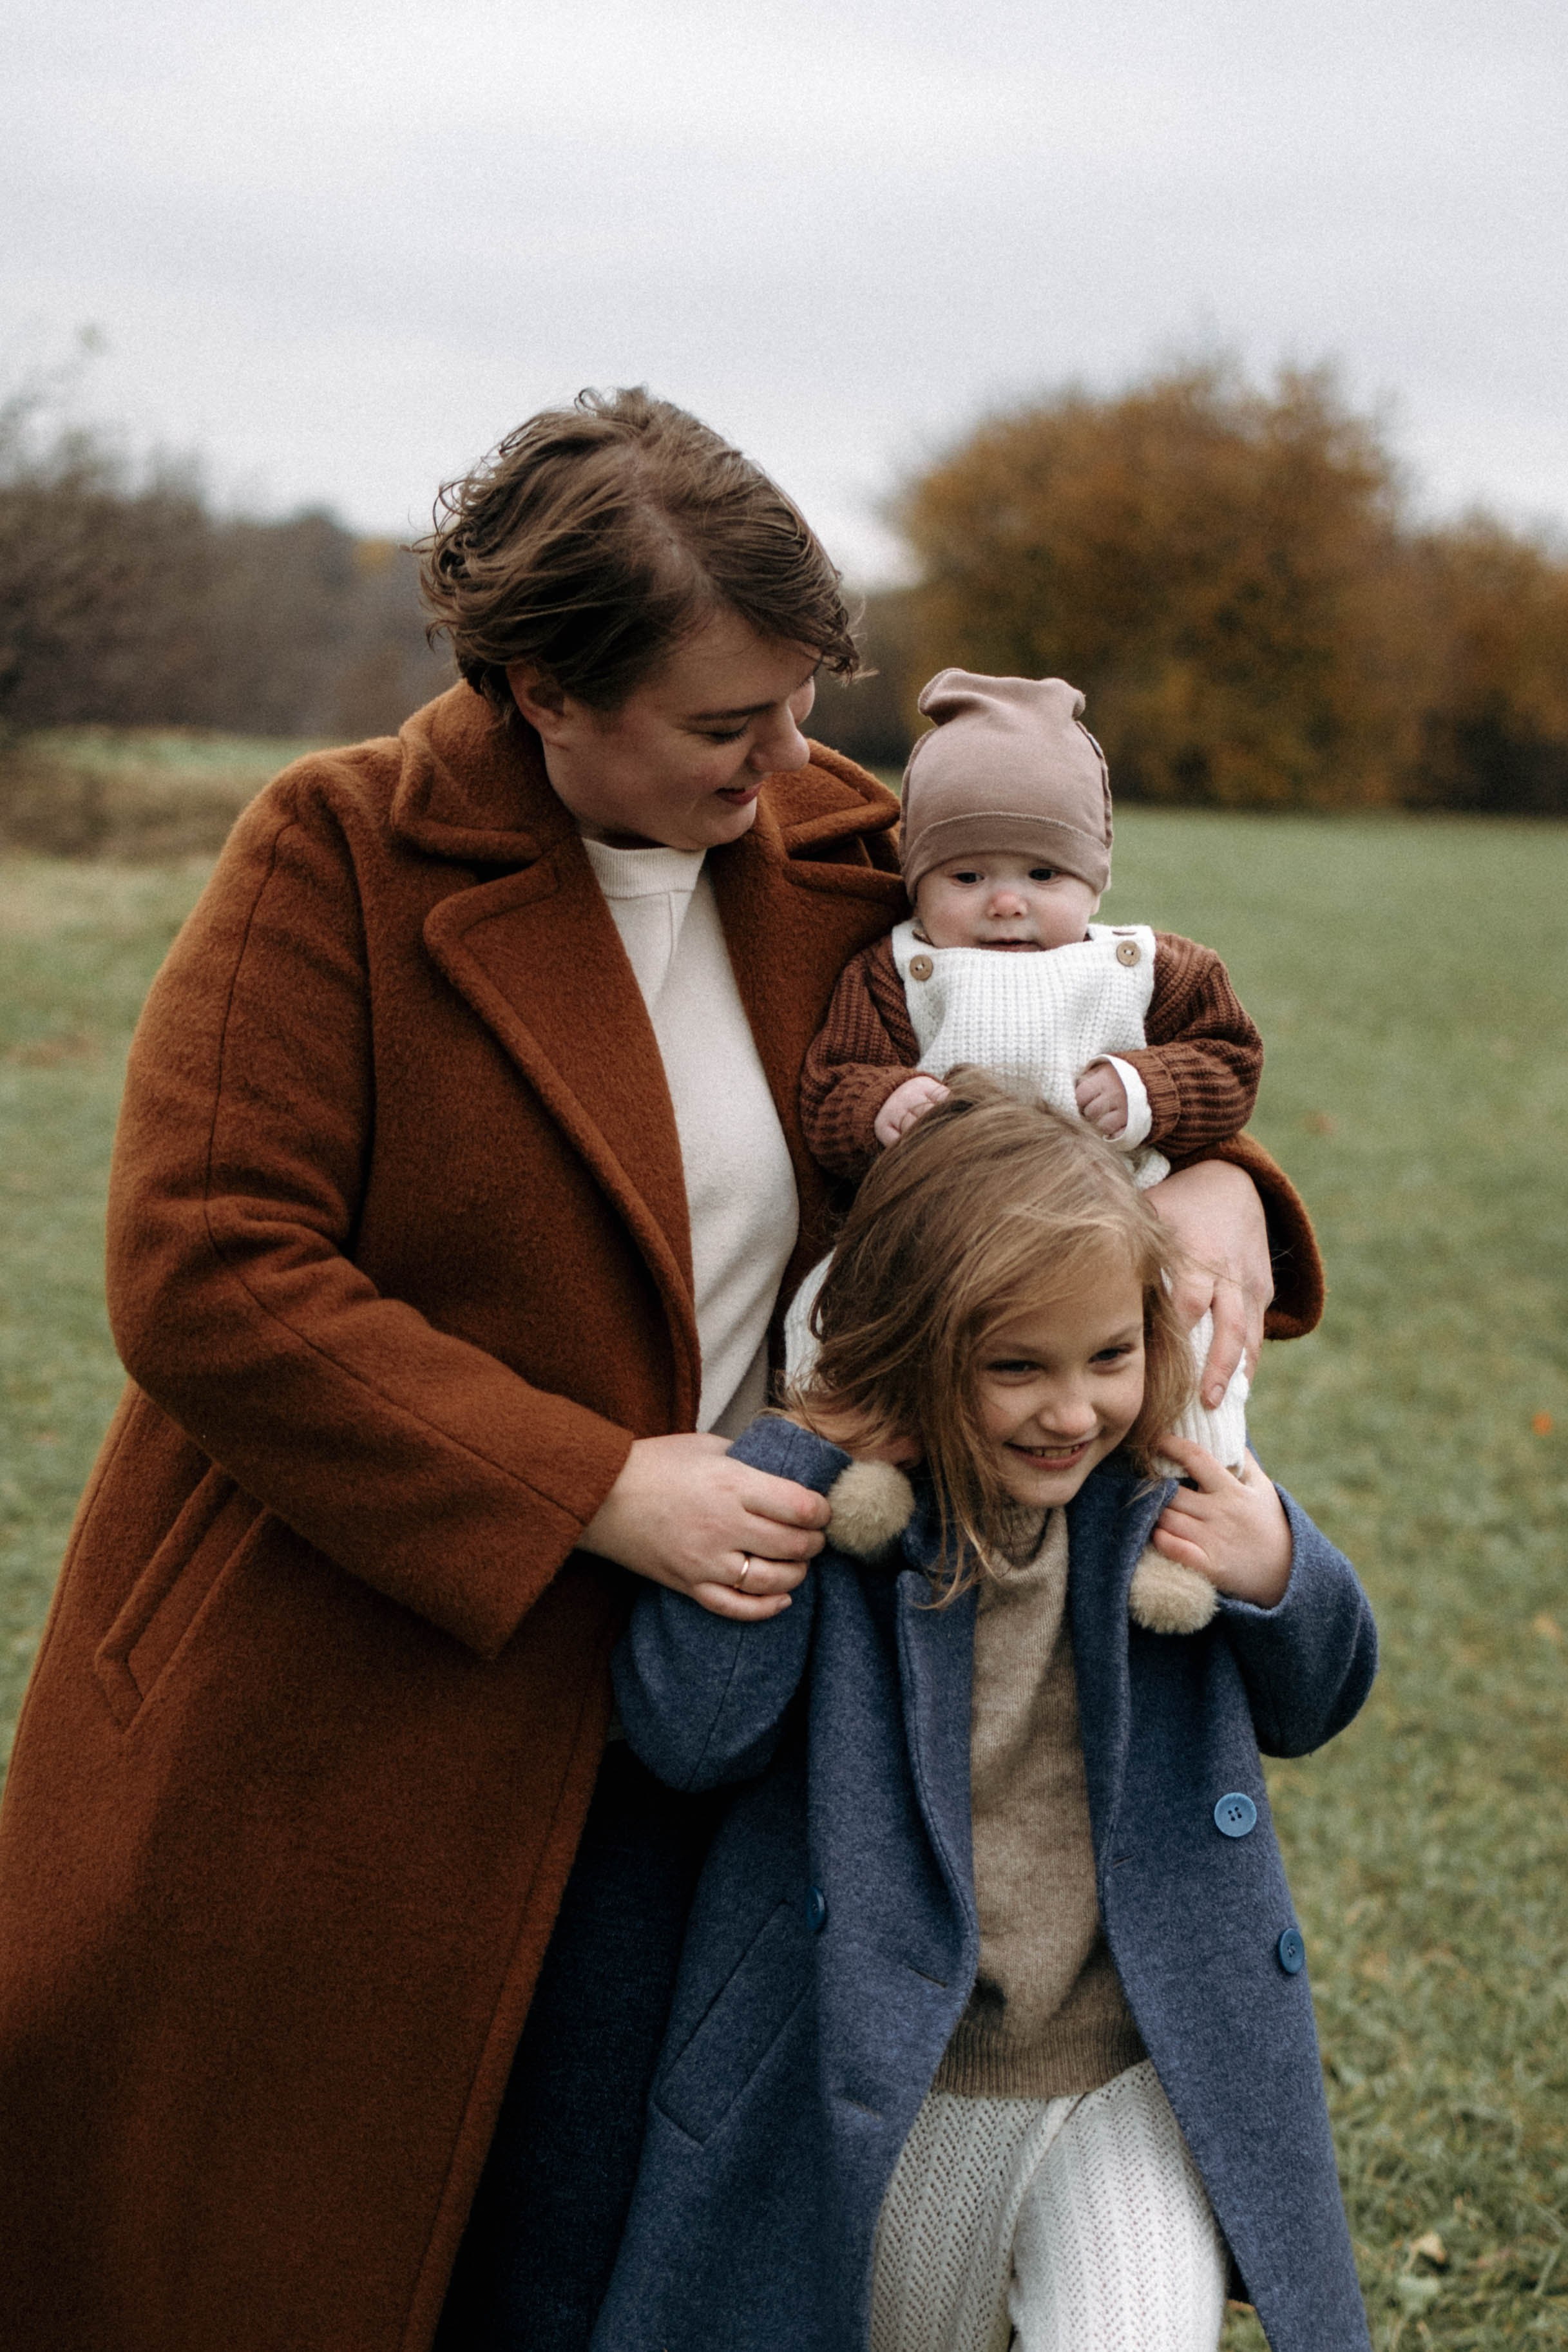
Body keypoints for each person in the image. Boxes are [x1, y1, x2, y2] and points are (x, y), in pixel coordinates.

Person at [0, 392, 1315, 2352]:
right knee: (270, 2245)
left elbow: (1066, 1053)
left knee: (595, 2232)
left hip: (719, 1680)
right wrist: (594, 1485)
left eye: (803, 702)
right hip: (351, 1685)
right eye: (731, 723)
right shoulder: (334, 858)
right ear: (542, 685)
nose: (794, 763)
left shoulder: (832, 850)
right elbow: (210, 1270)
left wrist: (1215, 1177)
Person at [602, 1081, 1376, 2352]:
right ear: (912, 1345)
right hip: (885, 2076)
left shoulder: (1167, 1512)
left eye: (1108, 1357)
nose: (1069, 1410)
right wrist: (798, 1461)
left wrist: (1281, 1564)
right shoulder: (848, 1528)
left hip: (1122, 2073)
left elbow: (1316, 1698)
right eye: (1013, 1365)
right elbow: (691, 1729)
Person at [795, 665, 1285, 1636]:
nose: (1005, 905)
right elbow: (829, 1085)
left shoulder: (1150, 971)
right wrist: (884, 1104)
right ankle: (870, 1463)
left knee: (1185, 1355)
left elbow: (1231, 1060)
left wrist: (1150, 1088)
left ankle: (1191, 1522)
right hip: (941, 1243)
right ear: (916, 880)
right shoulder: (896, 974)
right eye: (966, 877)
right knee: (833, 1305)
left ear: (1095, 876)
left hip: (1116, 1241)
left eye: (1041, 875)